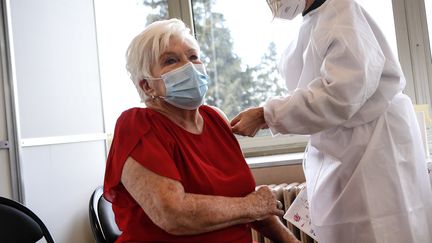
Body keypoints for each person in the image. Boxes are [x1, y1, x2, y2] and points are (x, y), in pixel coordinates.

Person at [231, 0, 432, 242]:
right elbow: (313, 93)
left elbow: (340, 94)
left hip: (373, 150)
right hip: (342, 151)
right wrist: (270, 115)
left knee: (383, 231)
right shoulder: (314, 22)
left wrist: (266, 115)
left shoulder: (343, 13)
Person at [103, 18, 300, 243]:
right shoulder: (136, 124)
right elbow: (174, 214)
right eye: (171, 60)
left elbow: (252, 205)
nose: (189, 66)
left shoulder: (215, 118)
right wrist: (251, 206)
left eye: (193, 57)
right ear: (147, 85)